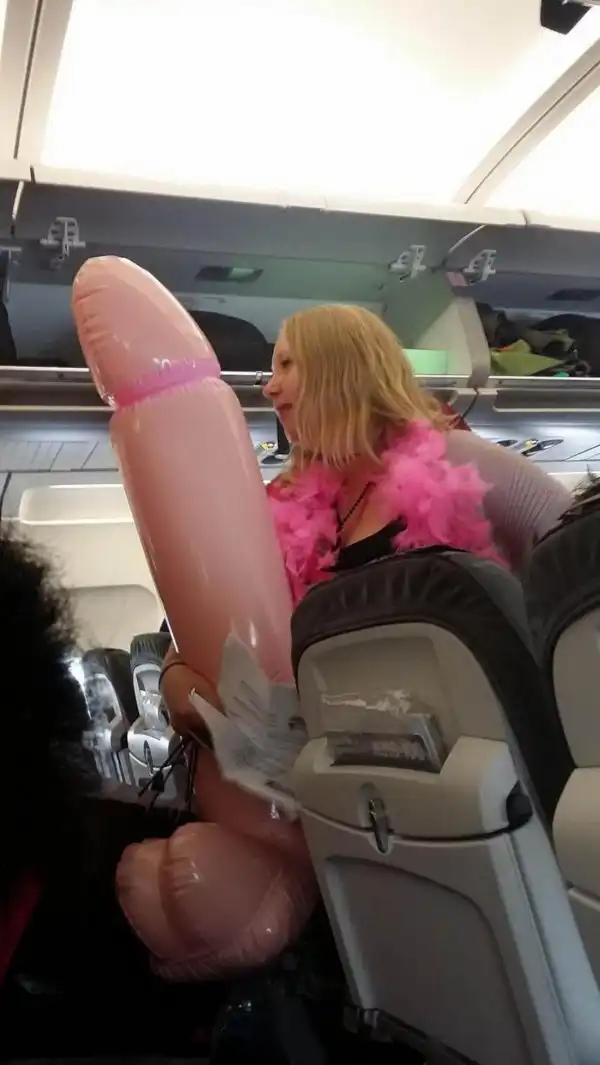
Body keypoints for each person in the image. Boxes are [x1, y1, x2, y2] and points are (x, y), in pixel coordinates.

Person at [162, 304, 570, 735]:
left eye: (286, 364)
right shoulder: (286, 499)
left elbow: (580, 556)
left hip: (482, 733)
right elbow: (222, 608)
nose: (270, 387)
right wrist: (173, 669)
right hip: (357, 744)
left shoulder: (459, 461)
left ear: (340, 367)